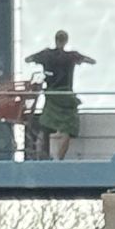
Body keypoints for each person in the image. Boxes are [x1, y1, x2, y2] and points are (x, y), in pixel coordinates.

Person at [26, 30, 95, 160]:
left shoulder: (46, 54)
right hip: (66, 96)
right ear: (66, 41)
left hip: (51, 95)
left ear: (55, 39)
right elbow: (92, 61)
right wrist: (80, 59)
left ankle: (40, 155)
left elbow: (28, 59)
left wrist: (41, 60)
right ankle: (59, 159)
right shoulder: (71, 56)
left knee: (45, 125)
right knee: (67, 129)